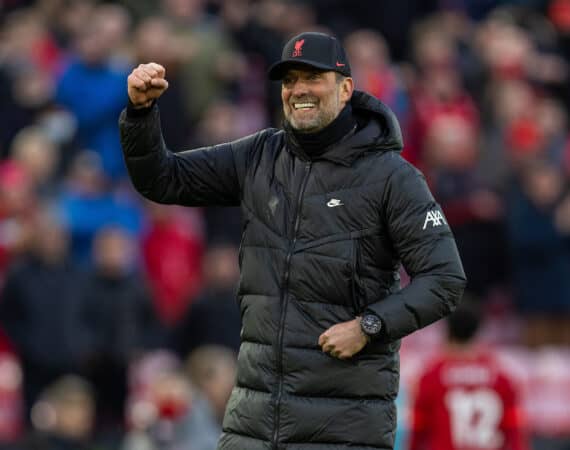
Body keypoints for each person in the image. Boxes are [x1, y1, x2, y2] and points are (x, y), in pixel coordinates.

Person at [119, 31, 466, 450]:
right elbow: (163, 179)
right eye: (289, 81)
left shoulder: (393, 177)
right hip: (254, 423)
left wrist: (369, 326)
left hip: (343, 430)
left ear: (345, 89)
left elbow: (445, 278)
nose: (298, 90)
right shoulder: (258, 156)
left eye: (312, 78)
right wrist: (141, 114)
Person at [408, 298, 530, 450]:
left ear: (447, 331)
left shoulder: (432, 376)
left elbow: (417, 433)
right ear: (478, 331)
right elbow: (515, 434)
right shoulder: (502, 376)